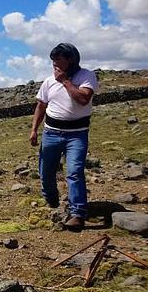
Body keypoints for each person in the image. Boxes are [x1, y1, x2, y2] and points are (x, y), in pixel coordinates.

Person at [30, 43, 98, 231]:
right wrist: (34, 129)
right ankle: (51, 198)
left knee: (74, 172)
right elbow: (41, 106)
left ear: (71, 60)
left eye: (58, 60)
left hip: (77, 135)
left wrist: (65, 81)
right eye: (53, 61)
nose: (55, 64)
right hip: (51, 133)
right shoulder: (48, 81)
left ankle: (77, 213)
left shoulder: (86, 76)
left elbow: (83, 99)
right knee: (46, 172)